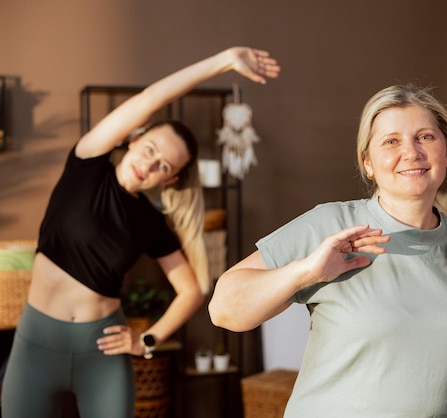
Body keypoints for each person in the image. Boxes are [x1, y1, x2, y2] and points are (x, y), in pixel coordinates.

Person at [208, 84, 447, 417]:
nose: (411, 152)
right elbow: (225, 311)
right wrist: (308, 271)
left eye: (425, 137)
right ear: (367, 163)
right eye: (391, 141)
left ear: (446, 154)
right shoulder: (329, 226)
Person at [1, 47, 280, 418]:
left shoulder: (150, 222)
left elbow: (193, 289)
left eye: (162, 165)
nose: (147, 165)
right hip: (37, 345)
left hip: (101, 350)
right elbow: (150, 99)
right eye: (148, 148)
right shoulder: (87, 164)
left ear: (170, 178)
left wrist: (147, 341)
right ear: (134, 138)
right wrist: (224, 60)